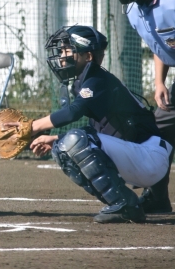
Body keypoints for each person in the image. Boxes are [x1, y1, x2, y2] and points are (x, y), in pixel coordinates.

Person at [9, 25, 172, 223]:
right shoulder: (87, 80)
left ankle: (126, 204)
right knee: (61, 147)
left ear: (88, 56)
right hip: (141, 156)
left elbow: (73, 112)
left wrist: (31, 127)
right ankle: (130, 202)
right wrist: (56, 138)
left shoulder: (97, 79)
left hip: (149, 157)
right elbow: (100, 132)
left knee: (73, 140)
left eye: (67, 50)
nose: (61, 56)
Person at [107, 0, 175, 213]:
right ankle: (157, 198)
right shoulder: (134, 10)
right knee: (157, 130)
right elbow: (161, 45)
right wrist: (159, 82)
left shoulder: (172, 1)